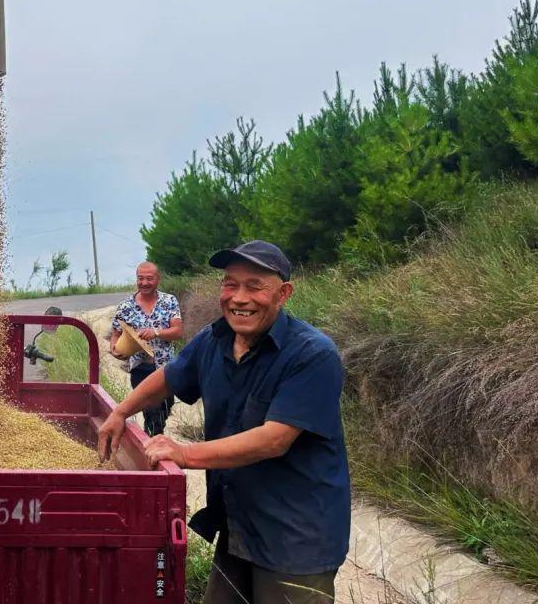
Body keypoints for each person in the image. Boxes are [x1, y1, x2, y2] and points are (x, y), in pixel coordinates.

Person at [98, 241, 350, 604]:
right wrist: (120, 412)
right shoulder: (214, 340)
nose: (239, 298)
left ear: (283, 294)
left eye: (254, 286)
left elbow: (273, 440)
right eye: (230, 284)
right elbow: (170, 376)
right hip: (238, 525)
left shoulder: (312, 354)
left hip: (296, 537)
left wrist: (184, 453)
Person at [108, 262, 183, 437]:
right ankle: (151, 446)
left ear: (158, 279)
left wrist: (156, 333)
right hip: (140, 369)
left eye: (149, 278)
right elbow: (115, 335)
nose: (144, 282)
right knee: (152, 412)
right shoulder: (125, 306)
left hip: (166, 367)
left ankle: (151, 441)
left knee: (164, 409)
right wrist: (115, 350)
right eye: (140, 278)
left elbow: (178, 331)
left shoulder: (169, 301)